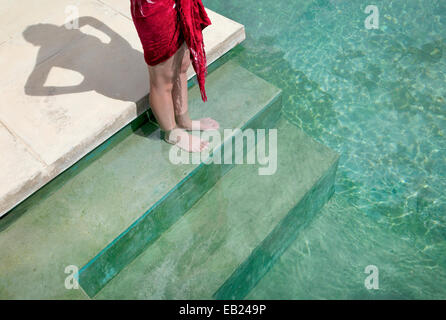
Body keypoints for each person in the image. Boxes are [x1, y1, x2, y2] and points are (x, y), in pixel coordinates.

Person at [131, 0, 219, 152]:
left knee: (182, 65)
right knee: (163, 79)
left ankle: (184, 120)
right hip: (154, 8)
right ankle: (172, 132)